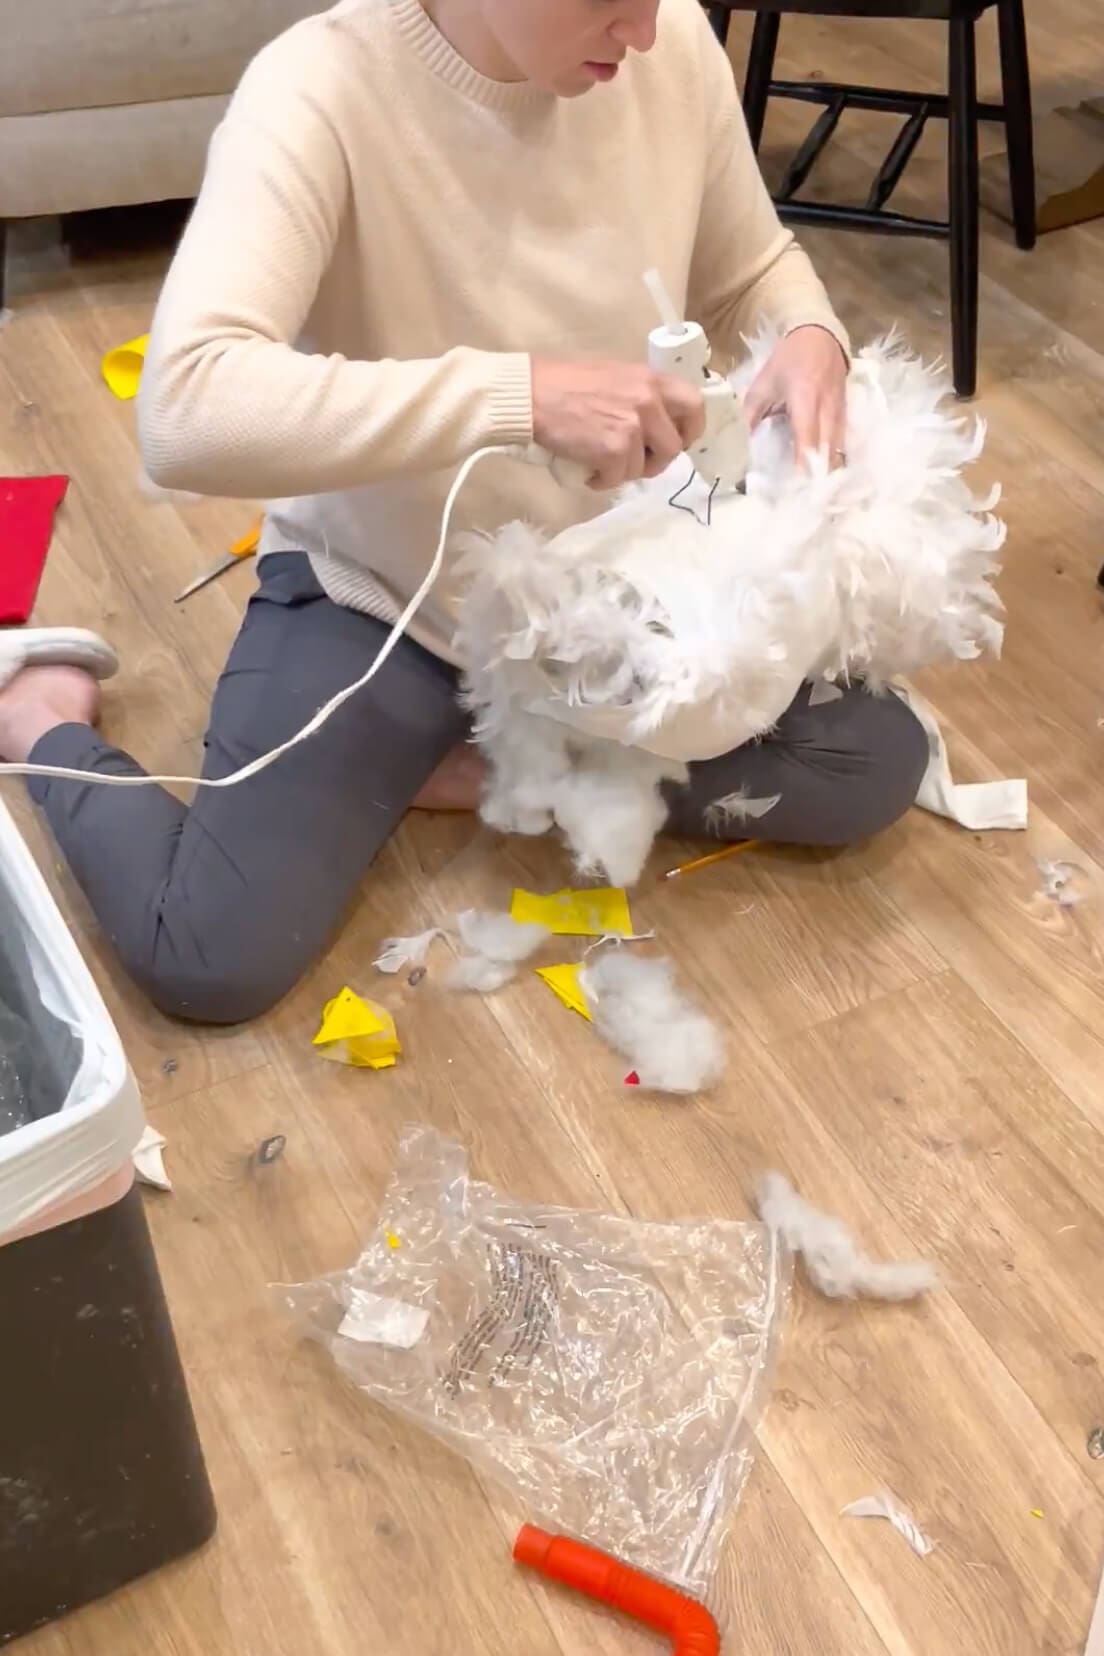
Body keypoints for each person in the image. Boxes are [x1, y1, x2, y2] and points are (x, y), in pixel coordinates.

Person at [0, 0, 928, 1025]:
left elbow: (752, 267)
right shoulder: (318, 89)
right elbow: (186, 407)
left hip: (607, 601)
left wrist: (808, 334)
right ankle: (41, 718)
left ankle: (467, 766)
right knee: (209, 954)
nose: (647, 30)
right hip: (387, 604)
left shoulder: (671, 46)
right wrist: (521, 398)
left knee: (874, 759)